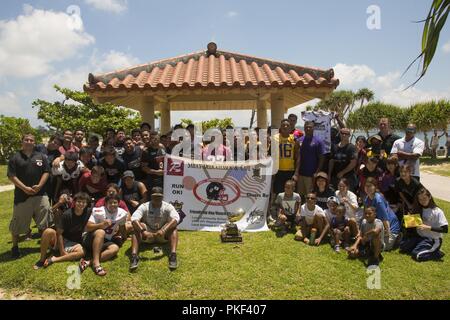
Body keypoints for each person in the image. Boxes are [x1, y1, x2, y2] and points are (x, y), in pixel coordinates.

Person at [7, 134, 52, 258]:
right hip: (22, 196)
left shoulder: (41, 156)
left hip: (41, 194)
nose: (29, 142)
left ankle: (46, 245)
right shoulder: (15, 158)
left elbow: (46, 172)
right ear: (22, 141)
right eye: (26, 140)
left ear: (34, 142)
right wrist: (24, 188)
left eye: (31, 140)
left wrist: (40, 185)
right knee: (18, 223)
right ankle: (15, 247)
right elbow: (11, 176)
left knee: (45, 222)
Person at [33, 192, 91, 269]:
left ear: (87, 204)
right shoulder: (67, 214)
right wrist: (62, 250)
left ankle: (54, 259)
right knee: (48, 231)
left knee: (82, 252)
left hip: (74, 242)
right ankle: (42, 259)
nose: (81, 204)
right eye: (79, 201)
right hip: (62, 239)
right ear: (74, 202)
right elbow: (59, 233)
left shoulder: (88, 212)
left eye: (84, 202)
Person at [129, 187, 180, 270]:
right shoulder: (144, 206)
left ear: (162, 197)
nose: (157, 198)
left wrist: (164, 230)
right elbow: (134, 219)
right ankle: (134, 256)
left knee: (173, 228)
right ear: (151, 197)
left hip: (162, 235)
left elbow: (176, 218)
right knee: (136, 228)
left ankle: (173, 255)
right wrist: (143, 231)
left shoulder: (168, 206)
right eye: (155, 196)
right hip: (147, 234)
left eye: (159, 196)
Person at [80, 194, 128, 276]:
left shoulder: (122, 213)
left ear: (118, 203)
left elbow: (122, 227)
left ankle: (88, 262)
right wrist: (101, 225)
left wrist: (125, 237)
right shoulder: (98, 211)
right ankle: (96, 264)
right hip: (89, 239)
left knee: (115, 248)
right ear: (105, 204)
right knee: (100, 232)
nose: (113, 205)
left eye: (115, 202)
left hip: (105, 240)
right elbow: (87, 227)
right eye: (110, 202)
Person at [399, 188, 447, 261]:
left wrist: (428, 227)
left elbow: (445, 229)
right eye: (420, 199)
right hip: (420, 237)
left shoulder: (437, 211)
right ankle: (426, 247)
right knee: (403, 247)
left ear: (429, 197)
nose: (422, 201)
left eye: (424, 198)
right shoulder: (418, 208)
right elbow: (411, 227)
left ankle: (437, 252)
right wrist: (409, 220)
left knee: (416, 255)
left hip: (433, 239)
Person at [364, 177, 401, 251]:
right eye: (366, 186)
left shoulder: (378, 200)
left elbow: (385, 219)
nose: (368, 188)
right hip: (378, 224)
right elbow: (365, 216)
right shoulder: (367, 199)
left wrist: (388, 233)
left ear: (375, 187)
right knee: (367, 242)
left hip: (390, 227)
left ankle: (397, 238)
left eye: (370, 186)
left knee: (380, 246)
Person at [293, 121, 325, 199]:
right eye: (306, 127)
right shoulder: (299, 140)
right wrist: (296, 172)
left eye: (310, 127)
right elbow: (296, 157)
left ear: (313, 128)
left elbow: (321, 159)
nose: (308, 128)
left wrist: (317, 172)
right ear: (304, 128)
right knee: (299, 196)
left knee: (310, 196)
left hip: (311, 175)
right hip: (300, 174)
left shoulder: (318, 141)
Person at [272, 119, 299, 196]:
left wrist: (296, 173)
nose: (285, 127)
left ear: (291, 127)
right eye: (283, 125)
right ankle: (278, 208)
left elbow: (297, 157)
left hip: (290, 171)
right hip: (278, 171)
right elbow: (271, 155)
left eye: (287, 125)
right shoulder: (275, 138)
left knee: (290, 193)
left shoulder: (294, 139)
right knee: (278, 193)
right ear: (280, 127)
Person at [328, 127, 358, 192]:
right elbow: (331, 161)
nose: (344, 135)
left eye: (346, 133)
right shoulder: (334, 147)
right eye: (342, 133)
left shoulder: (352, 148)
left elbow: (353, 163)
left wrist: (343, 172)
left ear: (349, 135)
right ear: (339, 134)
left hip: (348, 178)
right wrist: (329, 174)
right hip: (335, 177)